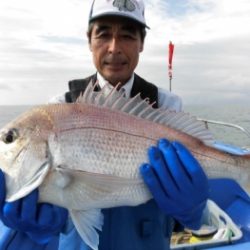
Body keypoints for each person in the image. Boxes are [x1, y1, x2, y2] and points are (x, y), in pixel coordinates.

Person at [0, 0, 211, 249]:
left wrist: (193, 210)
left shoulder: (166, 105)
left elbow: (194, 212)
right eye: (103, 34)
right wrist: (42, 230)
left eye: (127, 35)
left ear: (141, 43)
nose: (114, 48)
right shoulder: (60, 106)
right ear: (89, 39)